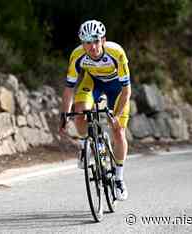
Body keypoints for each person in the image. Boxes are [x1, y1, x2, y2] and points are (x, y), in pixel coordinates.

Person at [59, 20, 131, 201]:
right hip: (93, 84)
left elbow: (126, 90)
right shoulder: (77, 55)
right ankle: (84, 146)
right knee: (80, 112)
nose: (92, 46)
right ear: (82, 43)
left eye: (96, 41)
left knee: (119, 131)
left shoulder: (116, 52)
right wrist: (64, 115)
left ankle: (119, 179)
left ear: (103, 40)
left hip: (117, 88)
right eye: (87, 42)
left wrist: (117, 114)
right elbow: (69, 87)